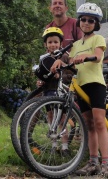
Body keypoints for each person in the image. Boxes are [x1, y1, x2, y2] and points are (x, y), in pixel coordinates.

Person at [51, 3, 108, 178]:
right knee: (88, 125)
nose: (86, 23)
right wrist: (60, 63)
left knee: (99, 122)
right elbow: (71, 63)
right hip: (80, 85)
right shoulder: (75, 44)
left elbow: (98, 57)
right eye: (84, 19)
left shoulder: (98, 39)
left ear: (96, 24)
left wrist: (85, 57)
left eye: (91, 20)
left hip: (95, 84)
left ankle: (106, 164)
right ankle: (93, 162)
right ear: (79, 21)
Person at [34, 27, 71, 156]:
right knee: (51, 118)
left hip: (61, 91)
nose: (53, 45)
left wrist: (60, 73)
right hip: (48, 91)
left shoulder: (65, 56)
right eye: (50, 42)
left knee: (62, 119)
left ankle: (65, 147)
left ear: (61, 44)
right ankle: (54, 145)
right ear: (45, 44)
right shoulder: (43, 58)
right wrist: (40, 82)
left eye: (56, 42)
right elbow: (41, 74)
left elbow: (70, 71)